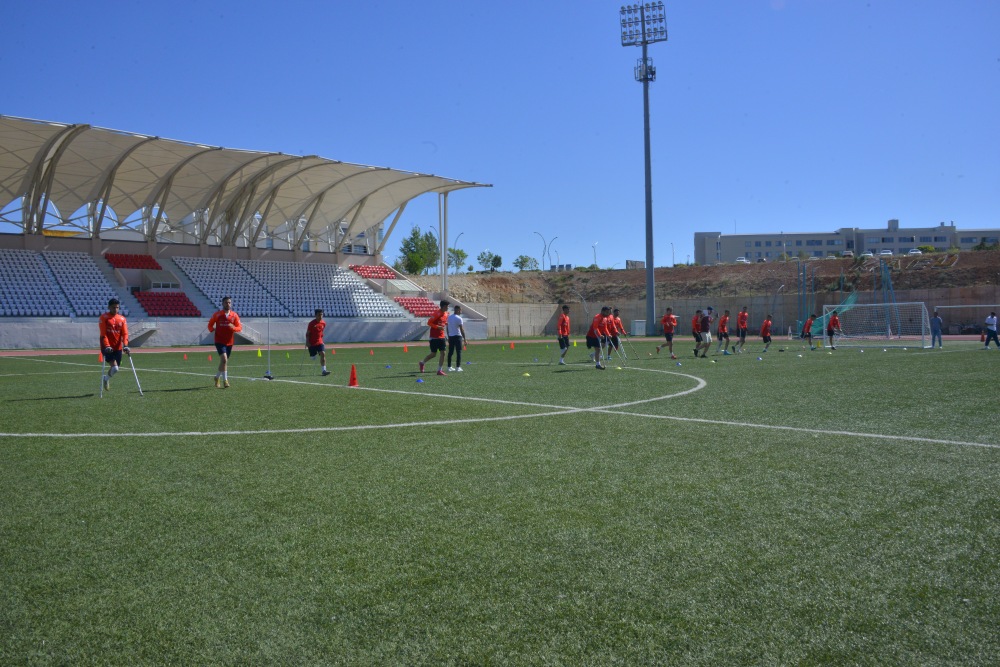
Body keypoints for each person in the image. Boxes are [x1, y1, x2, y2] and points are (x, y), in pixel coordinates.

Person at [208, 296, 242, 388]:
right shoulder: (217, 314)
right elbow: (210, 324)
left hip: (229, 342)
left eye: (229, 302)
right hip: (219, 340)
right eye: (226, 302)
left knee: (224, 362)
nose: (228, 304)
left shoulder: (234, 315)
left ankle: (217, 377)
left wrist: (233, 328)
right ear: (222, 304)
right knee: (224, 360)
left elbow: (239, 328)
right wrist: (212, 329)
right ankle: (225, 381)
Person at [98, 297, 130, 391]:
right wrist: (107, 345)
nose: (115, 309)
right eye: (113, 307)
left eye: (117, 307)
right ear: (109, 307)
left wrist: (126, 345)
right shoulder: (104, 318)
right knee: (115, 368)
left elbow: (125, 333)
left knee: (116, 368)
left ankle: (106, 378)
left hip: (118, 347)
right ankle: (106, 379)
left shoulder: (122, 319)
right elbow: (103, 334)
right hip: (106, 346)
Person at [420, 300, 450, 375]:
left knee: (443, 353)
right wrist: (437, 327)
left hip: (442, 336)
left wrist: (447, 324)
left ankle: (439, 370)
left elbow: (443, 322)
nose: (448, 307)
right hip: (434, 337)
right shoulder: (437, 313)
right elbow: (429, 322)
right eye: (447, 306)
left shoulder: (446, 314)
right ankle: (422, 363)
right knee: (433, 354)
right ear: (443, 306)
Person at [306, 309, 331, 376]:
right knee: (313, 358)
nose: (320, 316)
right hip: (312, 343)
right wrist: (307, 342)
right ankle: (313, 354)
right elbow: (308, 333)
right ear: (315, 315)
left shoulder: (323, 323)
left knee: (323, 353)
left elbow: (321, 332)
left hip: (319, 342)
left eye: (321, 314)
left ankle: (324, 371)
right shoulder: (311, 324)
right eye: (319, 315)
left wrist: (321, 340)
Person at [446, 304, 467, 371]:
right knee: (459, 352)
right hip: (458, 336)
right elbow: (461, 329)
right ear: (458, 310)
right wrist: (465, 339)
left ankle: (449, 367)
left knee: (450, 352)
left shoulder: (449, 317)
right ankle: (458, 367)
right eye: (460, 310)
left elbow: (447, 328)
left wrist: (448, 336)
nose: (461, 311)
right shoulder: (459, 318)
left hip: (451, 337)